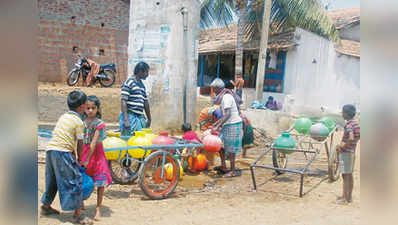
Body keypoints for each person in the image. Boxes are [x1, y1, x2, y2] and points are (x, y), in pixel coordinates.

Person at [40, 90, 93, 224]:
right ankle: (78, 215)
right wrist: (80, 160)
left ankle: (45, 206)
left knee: (52, 181)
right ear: (81, 107)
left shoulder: (63, 117)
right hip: (62, 152)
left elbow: (66, 138)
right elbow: (80, 143)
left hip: (51, 150)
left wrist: (73, 155)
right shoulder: (78, 122)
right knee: (73, 181)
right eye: (86, 105)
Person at [80, 95, 112, 221]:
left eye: (93, 108)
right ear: (84, 109)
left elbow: (93, 142)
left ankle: (98, 208)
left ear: (98, 109)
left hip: (97, 154)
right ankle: (81, 204)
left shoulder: (99, 124)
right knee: (82, 178)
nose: (90, 110)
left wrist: (87, 159)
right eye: (88, 108)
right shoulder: (82, 123)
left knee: (100, 181)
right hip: (84, 152)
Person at [210, 79, 243, 178]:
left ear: (217, 88)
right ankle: (223, 166)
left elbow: (228, 114)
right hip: (227, 124)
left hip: (233, 124)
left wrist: (217, 126)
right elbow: (224, 115)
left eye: (214, 89)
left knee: (231, 148)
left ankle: (232, 171)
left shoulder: (226, 97)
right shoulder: (224, 96)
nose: (213, 91)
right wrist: (216, 124)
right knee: (221, 146)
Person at [336, 104, 360, 205]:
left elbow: (350, 138)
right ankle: (349, 196)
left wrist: (342, 147)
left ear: (346, 114)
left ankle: (344, 199)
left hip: (346, 153)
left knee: (345, 176)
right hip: (352, 152)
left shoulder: (349, 124)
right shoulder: (356, 124)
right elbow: (357, 137)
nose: (341, 114)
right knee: (349, 175)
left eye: (342, 112)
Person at [120, 61, 152, 136]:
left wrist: (149, 119)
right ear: (140, 71)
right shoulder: (129, 82)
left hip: (139, 117)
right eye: (146, 72)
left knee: (141, 138)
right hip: (130, 116)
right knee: (130, 139)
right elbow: (123, 101)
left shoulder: (142, 85)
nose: (147, 75)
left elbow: (145, 103)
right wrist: (126, 119)